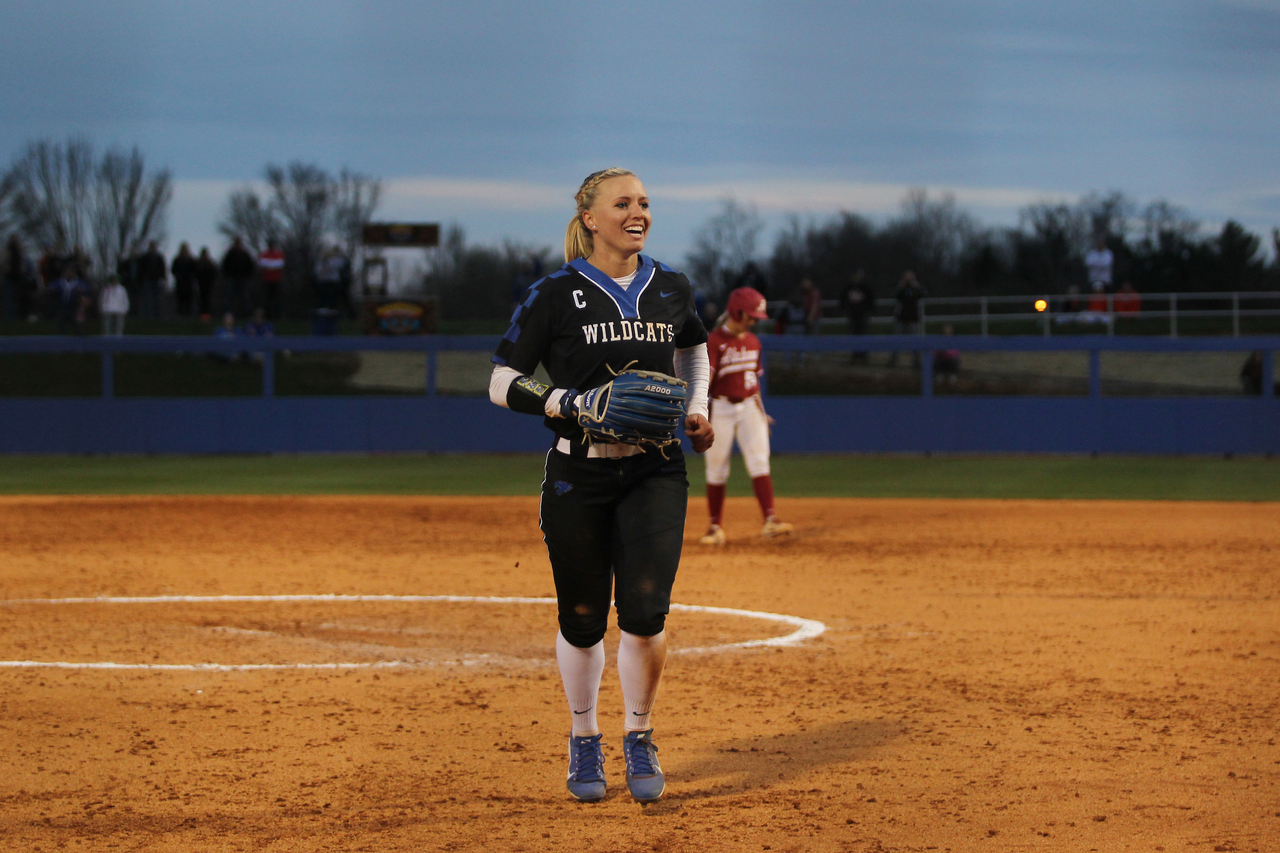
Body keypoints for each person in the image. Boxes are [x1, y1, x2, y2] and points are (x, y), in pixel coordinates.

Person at [488, 167, 713, 804]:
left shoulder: (671, 287)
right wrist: (566, 401)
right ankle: (584, 738)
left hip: (655, 468)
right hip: (577, 472)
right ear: (591, 217)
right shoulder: (554, 293)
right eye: (623, 203)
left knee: (644, 613)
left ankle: (638, 733)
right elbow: (502, 381)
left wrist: (700, 409)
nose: (638, 211)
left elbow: (694, 350)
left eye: (644, 202)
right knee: (583, 618)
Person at [698, 286, 794, 547]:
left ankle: (770, 521)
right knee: (716, 469)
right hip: (721, 408)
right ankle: (715, 527)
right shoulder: (715, 341)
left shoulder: (754, 342)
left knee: (760, 462)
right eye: (751, 315)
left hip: (750, 406)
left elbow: (754, 382)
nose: (753, 321)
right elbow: (704, 382)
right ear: (736, 311)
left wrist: (762, 413)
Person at [889, 270, 926, 367]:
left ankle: (917, 361)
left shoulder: (917, 288)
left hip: (913, 318)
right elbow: (894, 295)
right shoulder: (901, 288)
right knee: (897, 340)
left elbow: (925, 294)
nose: (909, 280)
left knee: (914, 341)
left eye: (911, 278)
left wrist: (917, 286)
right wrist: (900, 286)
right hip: (901, 318)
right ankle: (893, 360)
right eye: (907, 278)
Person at [843, 269, 874, 363]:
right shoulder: (849, 287)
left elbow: (871, 299)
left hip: (863, 315)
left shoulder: (866, 287)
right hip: (852, 315)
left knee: (863, 335)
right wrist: (845, 310)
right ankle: (855, 355)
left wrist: (868, 311)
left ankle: (863, 355)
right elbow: (843, 298)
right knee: (854, 335)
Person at [220, 237, 256, 319]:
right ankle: (228, 314)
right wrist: (228, 276)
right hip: (232, 279)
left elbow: (250, 266)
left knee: (244, 297)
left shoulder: (244, 254)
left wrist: (248, 276)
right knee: (229, 297)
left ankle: (246, 314)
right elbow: (225, 266)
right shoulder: (230, 254)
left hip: (243, 279)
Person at [136, 241, 167, 319]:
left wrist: (163, 278)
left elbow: (163, 269)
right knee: (147, 299)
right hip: (148, 281)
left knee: (157, 300)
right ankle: (147, 316)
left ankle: (157, 316)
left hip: (157, 280)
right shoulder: (144, 257)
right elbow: (140, 270)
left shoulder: (159, 257)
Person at [257, 238, 285, 319]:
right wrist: (273, 266)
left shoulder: (279, 254)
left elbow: (280, 265)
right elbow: (262, 265)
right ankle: (266, 315)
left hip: (276, 280)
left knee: (278, 299)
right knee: (266, 300)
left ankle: (279, 315)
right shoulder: (264, 254)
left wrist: (269, 266)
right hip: (266, 280)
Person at [171, 242, 198, 318]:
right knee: (180, 300)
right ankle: (181, 315)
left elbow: (195, 271)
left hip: (188, 283)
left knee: (189, 300)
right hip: (180, 283)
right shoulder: (177, 260)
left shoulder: (191, 260)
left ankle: (188, 315)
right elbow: (173, 270)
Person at [195, 247, 218, 320]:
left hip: (208, 285)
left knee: (208, 300)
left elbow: (214, 273)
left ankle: (207, 315)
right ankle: (202, 315)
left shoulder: (209, 264)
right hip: (201, 285)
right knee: (202, 301)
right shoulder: (199, 264)